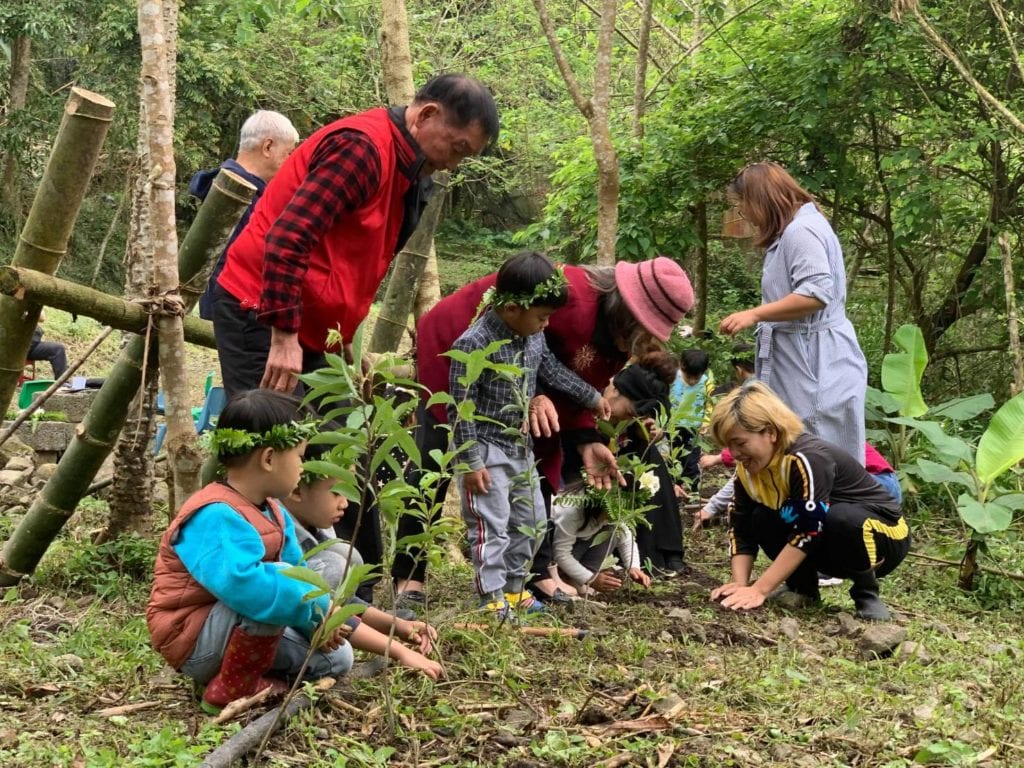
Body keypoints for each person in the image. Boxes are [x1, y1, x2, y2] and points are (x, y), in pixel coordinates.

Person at [401, 256, 694, 607]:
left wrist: (588, 440)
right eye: (644, 327)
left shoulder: (611, 335)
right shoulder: (569, 299)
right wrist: (534, 394)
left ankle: (527, 577)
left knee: (537, 475)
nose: (645, 341)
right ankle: (410, 576)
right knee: (434, 459)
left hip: (518, 395)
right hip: (454, 353)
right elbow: (510, 343)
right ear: (626, 310)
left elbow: (561, 373)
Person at [212, 74, 499, 398]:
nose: (452, 163)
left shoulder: (408, 171)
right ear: (426, 115)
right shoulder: (362, 149)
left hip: (308, 325)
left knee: (331, 436)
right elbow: (288, 238)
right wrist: (282, 337)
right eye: (457, 147)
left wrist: (343, 331)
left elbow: (352, 251)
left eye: (464, 156)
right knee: (271, 437)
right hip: (262, 308)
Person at [146, 390, 350, 714]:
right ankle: (228, 689)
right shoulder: (213, 513)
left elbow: (300, 570)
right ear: (269, 459)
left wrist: (320, 621)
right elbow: (245, 586)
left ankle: (248, 672)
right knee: (274, 581)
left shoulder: (274, 511)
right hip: (193, 639)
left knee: (337, 658)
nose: (303, 467)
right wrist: (314, 605)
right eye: (300, 456)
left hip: (234, 631)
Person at [448, 252, 611, 617]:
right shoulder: (473, 344)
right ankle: (491, 600)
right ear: (510, 309)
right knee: (492, 528)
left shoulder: (533, 337)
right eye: (541, 317)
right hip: (487, 452)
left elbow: (551, 371)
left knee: (533, 522)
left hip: (520, 448)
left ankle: (514, 589)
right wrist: (471, 461)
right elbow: (460, 407)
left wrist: (592, 396)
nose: (545, 324)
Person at [708, 383, 910, 621]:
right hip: (827, 544)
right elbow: (740, 526)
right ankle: (803, 589)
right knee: (761, 517)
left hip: (883, 537)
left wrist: (760, 589)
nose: (735, 453)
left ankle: (867, 594)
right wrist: (740, 584)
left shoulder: (806, 457)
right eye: (728, 445)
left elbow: (808, 530)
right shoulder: (747, 470)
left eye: (741, 443)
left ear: (771, 432)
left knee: (840, 518)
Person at [719, 162, 867, 465]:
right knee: (792, 445)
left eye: (742, 204)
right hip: (798, 357)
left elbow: (815, 293)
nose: (744, 214)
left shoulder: (803, 230)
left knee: (814, 446)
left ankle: (824, 509)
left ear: (761, 198)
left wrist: (755, 314)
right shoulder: (793, 230)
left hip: (814, 361)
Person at [283, 444, 444, 680]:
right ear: (297, 491)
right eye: (336, 493)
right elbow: (327, 607)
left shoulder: (313, 526)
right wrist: (399, 651)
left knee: (346, 556)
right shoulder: (279, 535)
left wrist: (398, 627)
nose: (345, 504)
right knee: (339, 658)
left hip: (302, 612)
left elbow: (342, 601)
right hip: (265, 628)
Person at [190, 110, 300, 320]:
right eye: (288, 153)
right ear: (267, 147)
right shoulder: (237, 195)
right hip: (236, 311)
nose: (290, 162)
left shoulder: (242, 189)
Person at [585, 350, 686, 576]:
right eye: (630, 413)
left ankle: (661, 549)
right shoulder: (592, 390)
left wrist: (650, 433)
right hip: (591, 456)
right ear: (616, 390)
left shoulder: (627, 413)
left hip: (625, 452)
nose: (629, 418)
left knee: (650, 463)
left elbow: (647, 431)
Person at [669, 348, 715, 490]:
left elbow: (710, 403)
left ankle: (694, 490)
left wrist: (706, 422)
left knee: (691, 459)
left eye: (696, 378)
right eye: (689, 377)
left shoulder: (706, 383)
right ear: (682, 366)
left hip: (693, 428)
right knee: (672, 456)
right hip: (672, 426)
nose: (692, 381)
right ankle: (672, 486)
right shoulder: (672, 377)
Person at [27, 313, 68, 379]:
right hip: (16, 345)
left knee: (58, 349)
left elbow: (42, 318)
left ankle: (61, 382)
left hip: (32, 344)